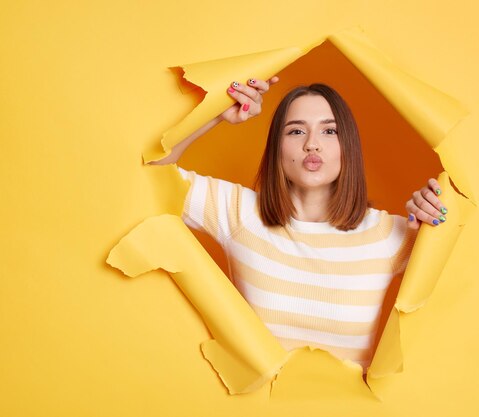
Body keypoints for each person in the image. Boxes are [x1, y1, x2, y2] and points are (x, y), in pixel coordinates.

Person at [152, 77, 447, 369]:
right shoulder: (238, 213)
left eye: (329, 131)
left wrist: (437, 217)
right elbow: (153, 174)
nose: (312, 145)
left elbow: (466, 273)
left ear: (348, 147)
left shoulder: (387, 235)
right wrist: (216, 114)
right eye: (295, 131)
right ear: (276, 147)